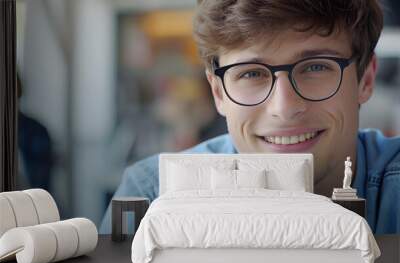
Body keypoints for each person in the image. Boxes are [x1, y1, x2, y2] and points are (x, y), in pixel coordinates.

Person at [101, 0, 400, 234]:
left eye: (315, 67)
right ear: (218, 93)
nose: (284, 108)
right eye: (251, 73)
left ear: (366, 79)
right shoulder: (149, 197)